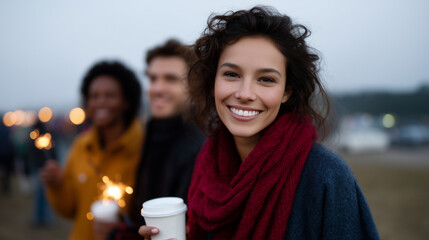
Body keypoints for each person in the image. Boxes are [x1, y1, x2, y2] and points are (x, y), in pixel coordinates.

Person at [140, 6, 380, 240]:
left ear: (287, 92)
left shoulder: (327, 177)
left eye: (266, 79)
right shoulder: (207, 164)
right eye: (231, 74)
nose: (245, 93)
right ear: (213, 81)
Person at [105, 39, 205, 239]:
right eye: (153, 79)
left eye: (171, 79)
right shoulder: (153, 132)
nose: (157, 88)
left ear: (193, 87)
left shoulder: (199, 147)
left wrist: (117, 235)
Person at [40, 60, 143, 240]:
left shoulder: (143, 147)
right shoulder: (81, 145)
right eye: (94, 96)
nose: (100, 102)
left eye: (110, 95)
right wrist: (56, 186)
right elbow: (70, 210)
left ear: (126, 101)